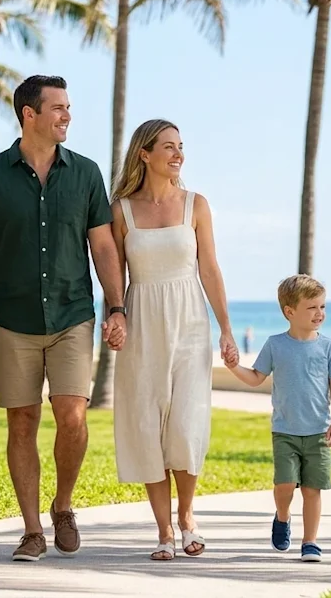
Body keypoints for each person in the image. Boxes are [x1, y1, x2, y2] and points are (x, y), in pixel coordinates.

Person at [0, 75, 126, 562]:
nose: (67, 115)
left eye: (68, 107)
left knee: (72, 416)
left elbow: (103, 246)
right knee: (23, 421)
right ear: (29, 115)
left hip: (73, 314)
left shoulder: (86, 173)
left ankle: (63, 506)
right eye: (57, 108)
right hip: (12, 318)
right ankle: (31, 529)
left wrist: (117, 307)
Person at [110, 119, 237, 561]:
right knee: (147, 423)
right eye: (168, 146)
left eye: (180, 146)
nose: (178, 153)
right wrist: (115, 316)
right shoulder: (121, 210)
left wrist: (226, 328)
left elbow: (210, 269)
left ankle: (187, 516)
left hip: (189, 322)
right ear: (144, 154)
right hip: (142, 321)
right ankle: (163, 530)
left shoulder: (196, 205)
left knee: (186, 423)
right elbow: (114, 275)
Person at [223, 274, 331, 563]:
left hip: (318, 432)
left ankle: (310, 542)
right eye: (312, 307)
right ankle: (282, 516)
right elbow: (256, 378)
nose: (319, 313)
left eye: (322, 307)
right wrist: (233, 367)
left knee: (313, 490)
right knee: (285, 485)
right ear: (289, 312)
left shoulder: (327, 347)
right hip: (285, 431)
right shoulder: (275, 345)